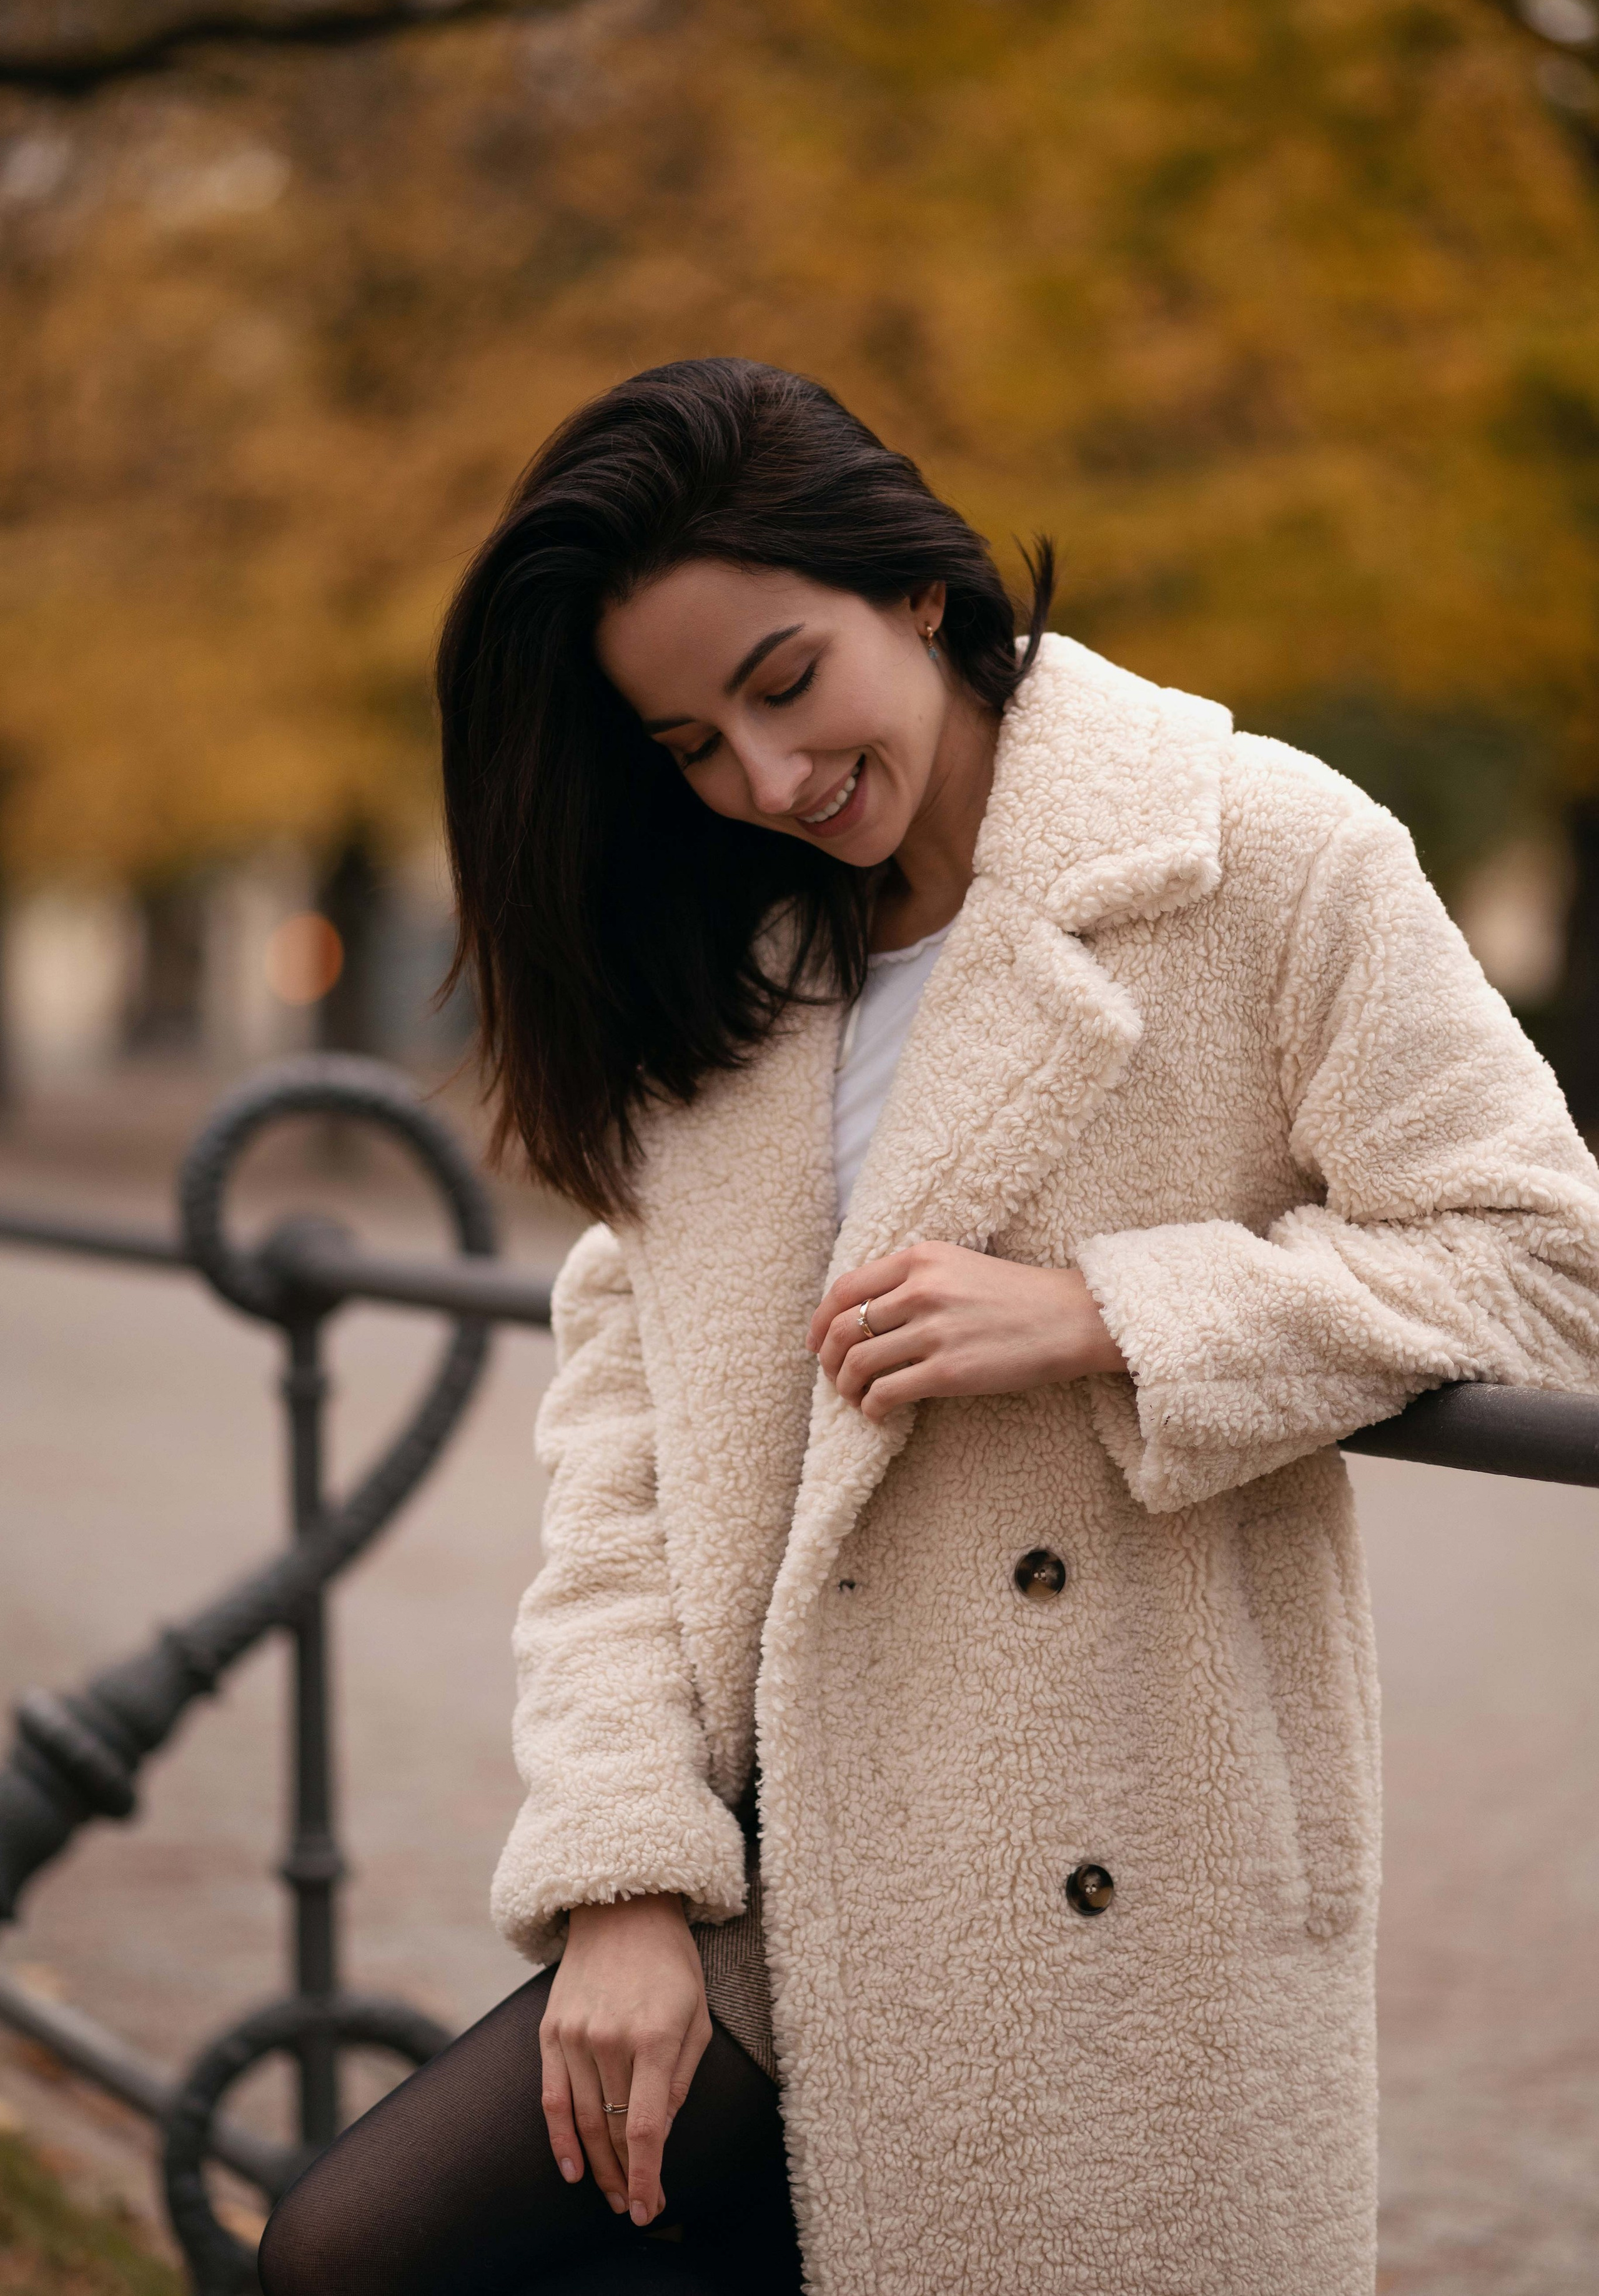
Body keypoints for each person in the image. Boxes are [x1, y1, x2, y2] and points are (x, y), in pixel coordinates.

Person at [258, 357, 1599, 2296]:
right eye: (692, 741)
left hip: (1101, 1883)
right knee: (350, 2252)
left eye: (785, 681)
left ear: (912, 585)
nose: (766, 778)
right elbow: (625, 1460)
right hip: (772, 1874)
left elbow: (1539, 1247)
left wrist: (1109, 1311)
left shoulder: (1254, 850)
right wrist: (623, 1874)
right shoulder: (731, 951)